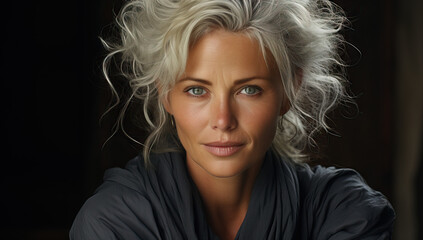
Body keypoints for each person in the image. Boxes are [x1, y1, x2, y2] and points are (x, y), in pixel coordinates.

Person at [70, 0, 395, 239]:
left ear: (289, 90)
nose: (223, 120)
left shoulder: (345, 212)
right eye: (197, 90)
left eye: (249, 89)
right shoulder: (114, 221)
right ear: (166, 93)